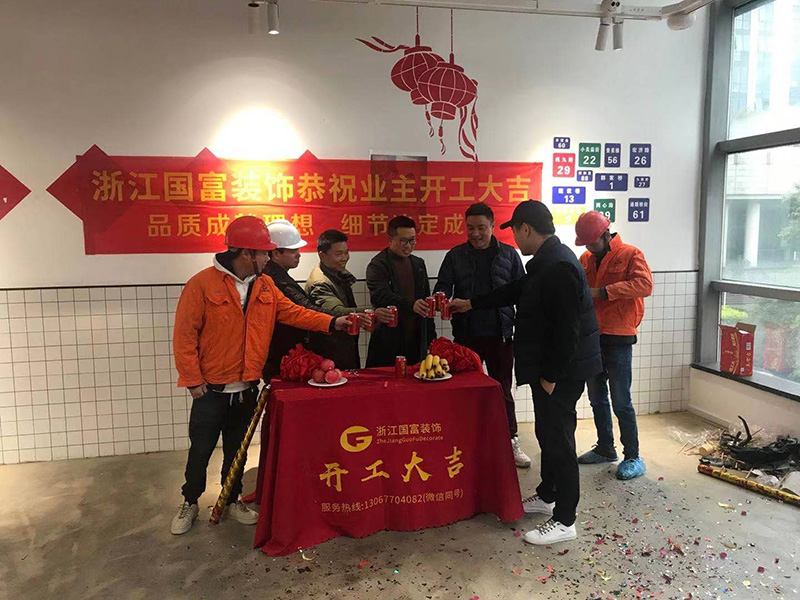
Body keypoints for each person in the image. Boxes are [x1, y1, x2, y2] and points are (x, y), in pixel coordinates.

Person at [171, 216, 352, 535]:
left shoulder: (265, 285)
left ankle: (232, 499)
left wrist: (331, 323)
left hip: (247, 385)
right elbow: (185, 335)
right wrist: (193, 379)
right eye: (264, 253)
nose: (269, 258)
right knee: (201, 449)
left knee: (237, 448)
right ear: (246, 253)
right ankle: (190, 501)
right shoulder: (202, 284)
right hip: (211, 388)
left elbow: (294, 313)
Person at [450, 201, 602, 545]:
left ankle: (565, 519)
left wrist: (551, 376)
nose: (515, 239)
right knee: (547, 434)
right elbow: (515, 290)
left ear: (526, 229)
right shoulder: (545, 261)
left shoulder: (560, 265)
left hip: (560, 372)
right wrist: (472, 303)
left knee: (559, 441)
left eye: (515, 231)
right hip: (547, 369)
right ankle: (548, 495)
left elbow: (568, 330)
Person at [434, 202, 530, 468]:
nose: (475, 234)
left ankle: (510, 439)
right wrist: (440, 297)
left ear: (492, 226)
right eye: (470, 228)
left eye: (481, 228)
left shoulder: (509, 255)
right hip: (467, 335)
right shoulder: (455, 255)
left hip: (500, 334)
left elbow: (522, 292)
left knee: (502, 390)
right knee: (466, 391)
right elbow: (443, 285)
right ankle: (465, 441)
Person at [573, 211, 653, 480]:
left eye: (592, 242)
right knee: (596, 397)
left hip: (619, 338)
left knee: (621, 400)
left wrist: (605, 292)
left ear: (606, 235)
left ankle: (633, 456)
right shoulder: (585, 259)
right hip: (592, 338)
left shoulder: (631, 254)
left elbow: (645, 285)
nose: (589, 247)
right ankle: (605, 448)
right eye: (585, 243)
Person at [366, 216, 435, 367]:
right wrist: (411, 305)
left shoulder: (418, 264)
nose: (408, 246)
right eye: (403, 241)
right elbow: (381, 296)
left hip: (416, 337)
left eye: (412, 240)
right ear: (390, 239)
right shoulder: (377, 265)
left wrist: (431, 339)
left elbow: (425, 302)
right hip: (389, 338)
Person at [305, 229, 375, 370]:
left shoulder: (336, 272)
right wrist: (371, 313)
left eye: (346, 252)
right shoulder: (320, 282)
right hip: (331, 349)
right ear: (322, 255)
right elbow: (337, 311)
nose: (344, 258)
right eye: (338, 254)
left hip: (343, 344)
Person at [262, 219, 317, 381]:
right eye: (293, 251)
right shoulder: (276, 281)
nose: (299, 255)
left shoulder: (277, 276)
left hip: (282, 355)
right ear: (275, 254)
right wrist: (335, 321)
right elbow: (303, 310)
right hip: (280, 357)